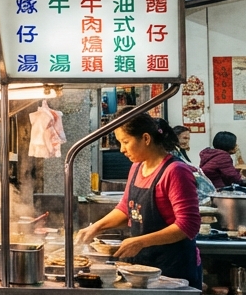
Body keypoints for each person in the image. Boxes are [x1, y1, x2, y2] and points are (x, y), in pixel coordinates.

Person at [79, 114, 201, 285]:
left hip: (173, 271)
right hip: (141, 268)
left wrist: (140, 241)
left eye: (125, 142)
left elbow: (188, 225)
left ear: (145, 138)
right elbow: (125, 209)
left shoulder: (175, 171)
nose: (121, 149)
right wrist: (96, 228)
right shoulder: (137, 167)